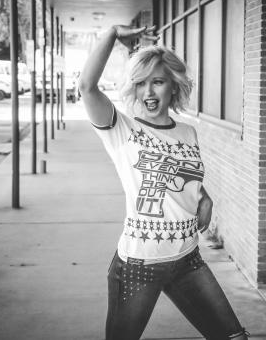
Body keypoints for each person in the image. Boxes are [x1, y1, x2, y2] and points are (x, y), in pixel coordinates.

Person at [79, 25, 249, 340]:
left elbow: (182, 175)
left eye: (157, 82)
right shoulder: (121, 131)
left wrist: (205, 197)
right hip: (139, 265)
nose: (148, 93)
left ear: (173, 85)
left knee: (234, 337)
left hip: (188, 259)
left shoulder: (187, 133)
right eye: (140, 83)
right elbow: (87, 86)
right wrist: (113, 34)